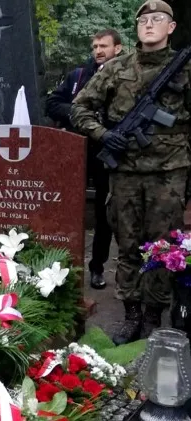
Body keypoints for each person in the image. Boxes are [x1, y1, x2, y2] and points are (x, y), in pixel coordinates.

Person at [71, 0, 191, 344]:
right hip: (124, 172)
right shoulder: (115, 67)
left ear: (170, 28)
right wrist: (105, 134)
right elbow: (80, 108)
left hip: (169, 173)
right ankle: (131, 315)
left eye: (158, 20)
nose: (149, 25)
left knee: (163, 247)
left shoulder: (183, 68)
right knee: (127, 245)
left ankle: (154, 315)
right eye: (143, 20)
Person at [46, 29, 123, 290]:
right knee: (63, 208)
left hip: (107, 152)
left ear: (118, 49)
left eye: (104, 46)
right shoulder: (78, 76)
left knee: (104, 213)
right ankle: (58, 264)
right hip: (76, 150)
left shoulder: (125, 76)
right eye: (95, 46)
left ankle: (97, 267)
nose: (98, 51)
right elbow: (53, 104)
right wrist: (81, 115)